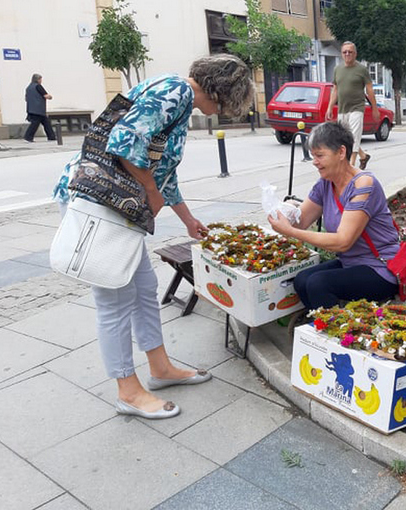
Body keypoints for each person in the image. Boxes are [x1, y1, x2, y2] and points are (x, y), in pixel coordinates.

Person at [53, 54, 255, 420]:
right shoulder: (176, 92)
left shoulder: (173, 97)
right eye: (224, 105)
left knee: (144, 288)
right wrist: (148, 189)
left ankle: (160, 368)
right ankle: (127, 391)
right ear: (219, 90)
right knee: (114, 301)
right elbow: (124, 141)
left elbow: (164, 172)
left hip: (115, 207)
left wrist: (188, 219)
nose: (217, 113)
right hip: (98, 204)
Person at [267, 121, 399, 310]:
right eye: (313, 156)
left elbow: (343, 241)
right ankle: (319, 327)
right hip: (350, 263)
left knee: (318, 283)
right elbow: (301, 221)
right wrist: (283, 212)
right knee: (302, 280)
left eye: (320, 155)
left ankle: (337, 333)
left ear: (341, 152)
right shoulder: (325, 183)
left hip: (380, 267)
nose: (315, 162)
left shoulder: (364, 185)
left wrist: (290, 231)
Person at [327, 41, 378, 170]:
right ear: (341, 54)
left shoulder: (361, 69)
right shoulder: (337, 69)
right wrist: (329, 107)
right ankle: (363, 156)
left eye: (350, 52)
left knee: (354, 136)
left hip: (357, 107)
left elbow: (369, 89)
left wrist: (375, 108)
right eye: (345, 52)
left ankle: (351, 165)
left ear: (355, 54)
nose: (347, 54)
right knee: (345, 138)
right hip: (342, 109)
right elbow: (335, 89)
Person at [24, 73, 56, 142]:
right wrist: (50, 97)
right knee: (35, 124)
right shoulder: (38, 86)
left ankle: (51, 137)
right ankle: (28, 137)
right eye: (40, 79)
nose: (41, 81)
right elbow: (46, 95)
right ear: (38, 80)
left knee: (46, 122)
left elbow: (26, 98)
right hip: (39, 109)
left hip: (31, 108)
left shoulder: (28, 88)